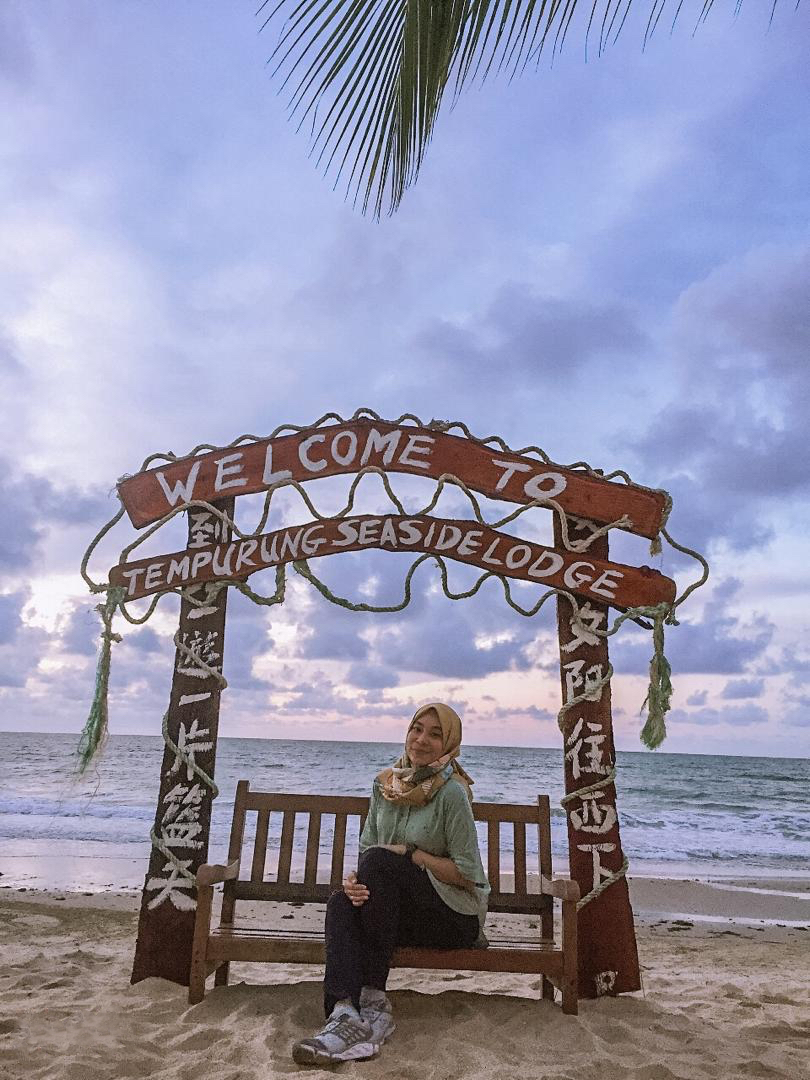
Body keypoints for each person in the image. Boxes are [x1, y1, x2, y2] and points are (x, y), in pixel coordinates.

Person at [291, 702, 489, 1066]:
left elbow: (467, 874)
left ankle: (372, 998)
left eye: (435, 734)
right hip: (395, 916)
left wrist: (412, 854)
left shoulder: (451, 794)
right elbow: (368, 852)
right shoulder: (384, 786)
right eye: (417, 728)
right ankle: (346, 1012)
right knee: (340, 903)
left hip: (453, 917)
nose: (422, 740)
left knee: (384, 860)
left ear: (450, 745)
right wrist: (354, 884)